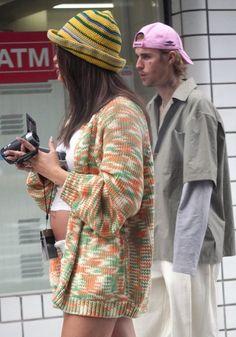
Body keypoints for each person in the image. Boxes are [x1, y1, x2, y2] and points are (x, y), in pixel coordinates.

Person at [3, 10, 154, 337]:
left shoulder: (121, 115)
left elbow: (120, 199)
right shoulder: (88, 115)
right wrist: (40, 164)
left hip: (101, 264)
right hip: (84, 259)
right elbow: (70, 181)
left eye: (63, 56)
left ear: (82, 61)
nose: (56, 63)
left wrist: (53, 172)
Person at [132, 22, 235, 337]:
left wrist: (184, 262)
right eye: (138, 57)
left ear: (171, 58)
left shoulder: (196, 108)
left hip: (186, 248)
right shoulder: (152, 108)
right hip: (157, 241)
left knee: (191, 331)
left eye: (147, 57)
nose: (139, 65)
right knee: (150, 329)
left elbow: (199, 188)